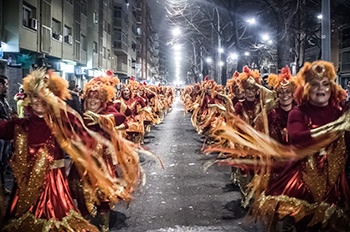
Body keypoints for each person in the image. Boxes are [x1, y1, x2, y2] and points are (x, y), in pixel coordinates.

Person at [0, 69, 127, 231]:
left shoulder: (63, 122)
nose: (39, 101)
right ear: (29, 98)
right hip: (24, 192)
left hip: (53, 191)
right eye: (35, 96)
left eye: (44, 96)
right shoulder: (20, 125)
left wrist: (101, 124)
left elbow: (86, 135)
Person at [69, 72, 140, 232]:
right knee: (79, 190)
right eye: (90, 97)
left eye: (97, 98)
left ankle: (103, 226)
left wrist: (101, 119)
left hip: (102, 163)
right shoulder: (81, 114)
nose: (93, 101)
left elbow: (121, 116)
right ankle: (85, 224)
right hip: (82, 160)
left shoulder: (107, 110)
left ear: (103, 100)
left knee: (102, 193)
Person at [0, 75, 13, 196]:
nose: (7, 87)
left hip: (5, 136)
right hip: (1, 135)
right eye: (6, 84)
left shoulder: (3, 99)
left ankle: (3, 188)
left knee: (4, 162)